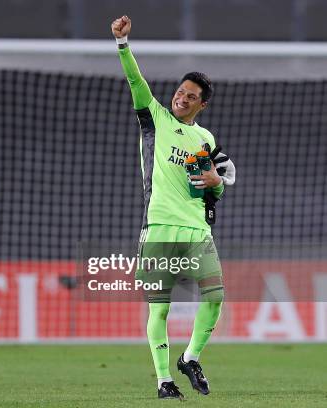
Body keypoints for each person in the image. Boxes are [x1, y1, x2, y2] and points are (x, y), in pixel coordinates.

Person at [111, 15, 236, 400]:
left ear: (203, 104)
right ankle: (164, 381)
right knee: (160, 310)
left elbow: (218, 183)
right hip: (160, 227)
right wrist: (123, 44)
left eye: (191, 96)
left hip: (197, 229)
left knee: (215, 299)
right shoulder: (154, 119)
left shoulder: (205, 138)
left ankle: (191, 358)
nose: (181, 97)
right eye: (180, 91)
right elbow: (136, 81)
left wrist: (219, 183)